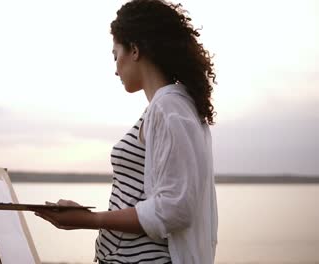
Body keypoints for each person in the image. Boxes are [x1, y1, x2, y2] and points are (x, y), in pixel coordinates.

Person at [34, 0, 218, 263]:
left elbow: (175, 208)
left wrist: (90, 219)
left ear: (134, 50)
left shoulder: (170, 107)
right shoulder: (166, 107)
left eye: (115, 54)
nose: (115, 68)